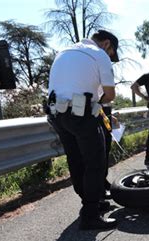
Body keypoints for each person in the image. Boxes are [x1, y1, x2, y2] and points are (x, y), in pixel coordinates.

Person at [47, 30, 119, 230]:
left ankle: (91, 202)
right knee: (95, 162)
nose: (111, 58)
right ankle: (90, 215)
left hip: (56, 114)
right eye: (112, 53)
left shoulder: (64, 51)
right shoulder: (99, 54)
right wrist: (98, 102)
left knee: (75, 160)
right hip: (80, 113)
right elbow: (110, 94)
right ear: (106, 44)